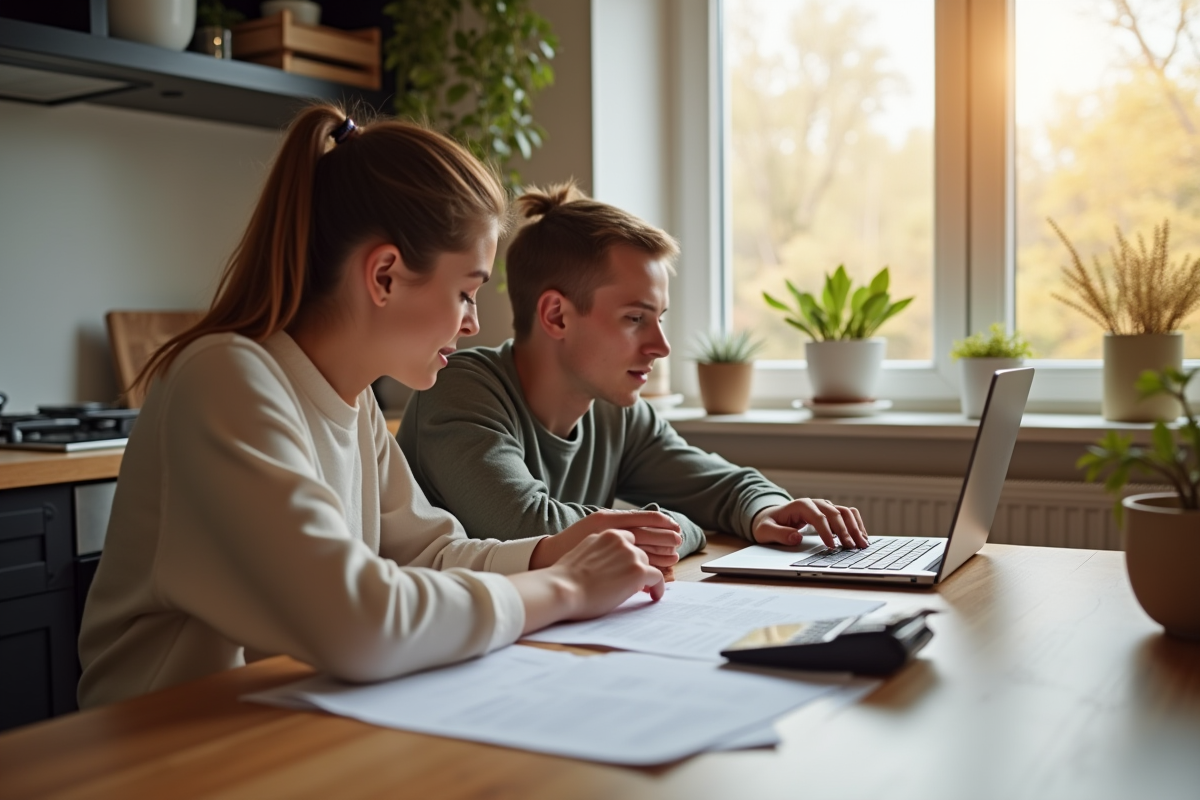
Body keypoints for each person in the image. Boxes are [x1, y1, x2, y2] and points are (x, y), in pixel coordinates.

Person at [77, 110, 675, 709]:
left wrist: (557, 549)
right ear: (385, 275)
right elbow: (360, 622)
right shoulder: (226, 381)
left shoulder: (353, 399)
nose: (472, 322)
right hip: (162, 748)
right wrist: (567, 586)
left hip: (285, 724)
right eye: (466, 291)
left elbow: (428, 555)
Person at [399, 182, 869, 564]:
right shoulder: (458, 389)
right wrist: (684, 527)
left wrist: (766, 510)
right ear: (557, 316)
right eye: (634, 319)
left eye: (659, 318)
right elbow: (529, 528)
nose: (660, 346)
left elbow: (722, 487)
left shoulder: (615, 412)